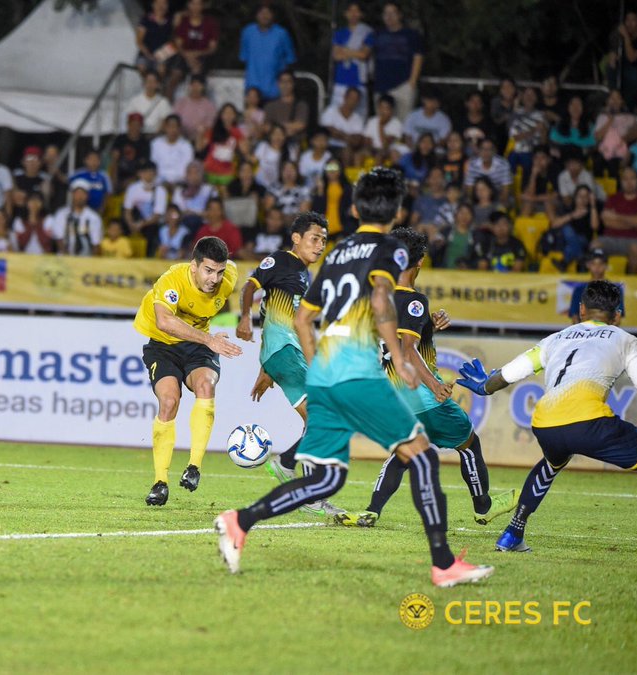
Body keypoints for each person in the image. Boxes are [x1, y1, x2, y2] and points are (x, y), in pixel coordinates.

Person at [214, 167, 493, 587]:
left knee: (328, 476)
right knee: (422, 455)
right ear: (395, 209)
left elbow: (305, 318)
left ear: (354, 208)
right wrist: (398, 357)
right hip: (358, 369)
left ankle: (239, 521)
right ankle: (443, 564)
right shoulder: (391, 250)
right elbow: (382, 300)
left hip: (330, 370)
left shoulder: (338, 254)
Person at [455, 280, 637, 554]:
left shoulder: (555, 338)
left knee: (551, 464)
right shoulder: (626, 340)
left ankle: (512, 533)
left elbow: (507, 375)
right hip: (591, 423)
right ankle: (511, 533)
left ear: (581, 310)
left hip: (545, 423)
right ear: (618, 315)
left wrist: (485, 387)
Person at [337, 228, 515, 528]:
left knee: (404, 453)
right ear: (420, 261)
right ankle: (483, 505)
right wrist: (434, 385)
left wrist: (428, 325)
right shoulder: (413, 300)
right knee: (469, 445)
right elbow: (406, 350)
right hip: (423, 395)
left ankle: (372, 511)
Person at [235, 212, 339, 517]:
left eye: (324, 240)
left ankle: (299, 477)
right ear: (296, 238)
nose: (320, 246)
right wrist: (244, 318)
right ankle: (298, 478)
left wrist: (265, 370)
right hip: (284, 351)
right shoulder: (280, 260)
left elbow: (273, 315)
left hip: (282, 353)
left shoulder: (305, 276)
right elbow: (249, 288)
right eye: (314, 238)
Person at [135, 236, 241, 505]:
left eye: (219, 271)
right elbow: (164, 321)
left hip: (198, 346)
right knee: (169, 401)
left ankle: (194, 467)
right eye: (208, 271)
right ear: (193, 266)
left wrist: (238, 324)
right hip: (164, 345)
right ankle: (160, 482)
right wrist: (210, 340)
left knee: (206, 386)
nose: (215, 279)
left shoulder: (228, 279)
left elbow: (227, 302)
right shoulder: (172, 280)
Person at [372, 2, 423, 119]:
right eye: (386, 13)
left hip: (403, 85)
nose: (389, 16)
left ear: (400, 15)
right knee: (382, 123)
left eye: (392, 13)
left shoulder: (411, 35)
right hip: (381, 86)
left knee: (403, 124)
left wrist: (412, 83)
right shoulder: (377, 34)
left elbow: (418, 57)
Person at [598, 166, 637, 274]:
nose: (629, 182)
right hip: (610, 238)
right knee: (595, 246)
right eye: (625, 179)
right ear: (621, 181)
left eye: (632, 178)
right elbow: (607, 222)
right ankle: (598, 282)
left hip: (634, 239)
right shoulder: (612, 198)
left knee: (636, 249)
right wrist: (634, 223)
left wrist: (616, 216)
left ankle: (631, 283)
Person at [240, 3, 295, 102]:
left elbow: (290, 60)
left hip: (275, 91)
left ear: (273, 15)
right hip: (253, 90)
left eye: (268, 13)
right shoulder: (248, 32)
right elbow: (244, 58)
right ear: (256, 15)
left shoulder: (282, 34)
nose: (264, 16)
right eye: (261, 12)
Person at [330, 1, 372, 116]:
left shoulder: (366, 33)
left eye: (356, 11)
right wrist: (356, 52)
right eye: (350, 11)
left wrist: (346, 50)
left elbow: (364, 55)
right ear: (346, 14)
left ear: (361, 14)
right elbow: (337, 56)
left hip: (359, 81)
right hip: (341, 81)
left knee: (359, 116)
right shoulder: (339, 33)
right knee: (337, 115)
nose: (353, 14)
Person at [170, 0, 220, 94]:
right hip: (184, 54)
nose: (196, 7)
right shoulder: (183, 21)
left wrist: (197, 54)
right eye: (193, 3)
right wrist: (188, 57)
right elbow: (178, 44)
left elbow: (212, 48)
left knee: (197, 74)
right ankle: (167, 101)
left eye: (198, 4)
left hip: (203, 55)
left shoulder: (210, 23)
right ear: (188, 5)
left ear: (203, 6)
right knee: (175, 74)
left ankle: (199, 103)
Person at [568, 250, 624, 323]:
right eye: (593, 263)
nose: (597, 267)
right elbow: (574, 317)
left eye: (601, 264)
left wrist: (608, 332)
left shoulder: (615, 290)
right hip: (585, 331)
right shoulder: (579, 290)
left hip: (607, 331)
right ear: (588, 265)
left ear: (606, 266)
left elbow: (617, 318)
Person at [51, 180, 103, 256]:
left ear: (87, 196)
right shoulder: (62, 214)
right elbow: (59, 239)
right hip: (64, 259)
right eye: (77, 193)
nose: (80, 196)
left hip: (86, 261)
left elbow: (96, 243)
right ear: (72, 194)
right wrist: (69, 258)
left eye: (83, 193)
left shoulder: (94, 218)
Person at [320, 86, 366, 165]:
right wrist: (348, 137)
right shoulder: (331, 111)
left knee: (350, 151)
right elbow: (328, 131)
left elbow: (356, 141)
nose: (353, 101)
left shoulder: (358, 119)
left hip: (348, 149)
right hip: (329, 146)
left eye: (356, 99)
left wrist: (338, 134)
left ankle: (346, 175)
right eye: (351, 98)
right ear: (345, 97)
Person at [150, 115, 194, 186]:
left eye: (176, 127)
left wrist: (175, 182)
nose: (173, 130)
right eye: (170, 126)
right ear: (165, 127)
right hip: (159, 182)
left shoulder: (186, 146)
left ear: (180, 128)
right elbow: (153, 165)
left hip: (179, 182)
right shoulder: (156, 144)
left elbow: (187, 168)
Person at [135, 0, 173, 78]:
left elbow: (174, 44)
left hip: (163, 54)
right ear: (153, 5)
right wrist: (148, 55)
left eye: (164, 3)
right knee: (141, 66)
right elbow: (139, 41)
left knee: (161, 69)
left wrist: (161, 55)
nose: (161, 6)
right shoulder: (145, 20)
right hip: (146, 52)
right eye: (158, 3)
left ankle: (158, 87)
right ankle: (148, 85)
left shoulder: (171, 21)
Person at [173, 74, 217, 142]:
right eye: (193, 85)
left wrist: (202, 128)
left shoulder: (209, 105)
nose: (195, 88)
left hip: (201, 140)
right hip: (181, 138)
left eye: (198, 85)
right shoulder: (181, 103)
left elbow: (211, 124)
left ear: (203, 87)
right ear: (189, 86)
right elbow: (174, 119)